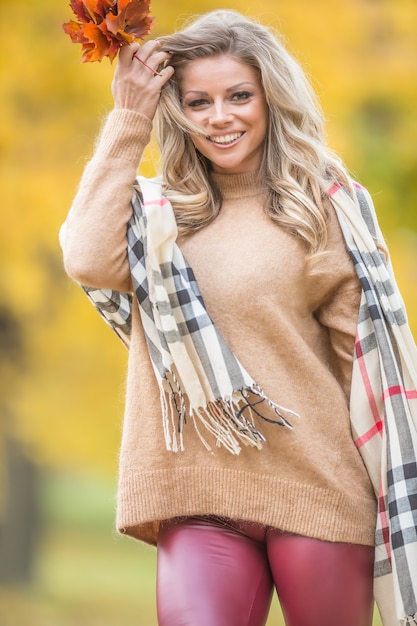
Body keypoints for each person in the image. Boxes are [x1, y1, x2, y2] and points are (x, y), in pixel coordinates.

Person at [60, 10, 417, 626]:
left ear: (270, 97)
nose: (219, 116)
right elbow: (87, 258)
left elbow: (362, 362)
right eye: (197, 102)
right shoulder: (157, 213)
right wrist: (129, 117)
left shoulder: (324, 206)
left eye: (238, 96)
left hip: (317, 487)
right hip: (197, 489)